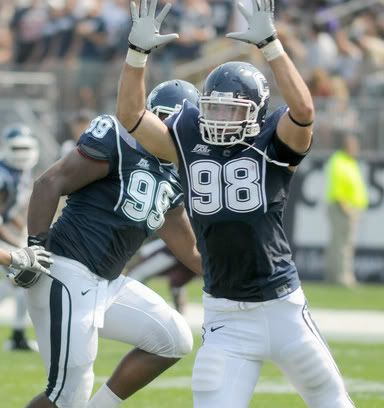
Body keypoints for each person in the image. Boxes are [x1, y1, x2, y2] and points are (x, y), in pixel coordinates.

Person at [115, 0, 355, 407]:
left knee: (332, 401)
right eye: (214, 108)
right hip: (225, 314)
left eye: (232, 110)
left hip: (282, 307)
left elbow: (304, 110)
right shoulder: (189, 137)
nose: (220, 119)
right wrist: (136, 55)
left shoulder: (271, 143)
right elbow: (131, 114)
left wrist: (272, 45)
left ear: (257, 113)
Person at [25, 80, 202, 408]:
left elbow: (191, 252)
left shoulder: (175, 174)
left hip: (107, 283)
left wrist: (241, 275)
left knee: (173, 338)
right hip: (67, 271)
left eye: (178, 125)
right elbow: (50, 182)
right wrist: (36, 245)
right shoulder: (119, 140)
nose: (168, 132)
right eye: (163, 121)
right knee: (67, 394)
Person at [0, 124, 41, 351]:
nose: (22, 153)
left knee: (22, 280)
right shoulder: (3, 175)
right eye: (17, 148)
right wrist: (20, 244)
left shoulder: (19, 173)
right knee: (24, 273)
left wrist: (24, 229)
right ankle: (17, 336)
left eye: (26, 148)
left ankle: (17, 336)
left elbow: (6, 213)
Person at [324, 133, 368, 287]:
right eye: (354, 146)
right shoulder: (339, 161)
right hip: (342, 208)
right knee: (343, 246)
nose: (357, 149)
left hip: (347, 207)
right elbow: (338, 188)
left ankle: (335, 276)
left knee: (340, 244)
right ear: (347, 146)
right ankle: (343, 278)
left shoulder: (348, 161)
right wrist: (347, 208)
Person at [129, 238, 196, 314]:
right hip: (188, 252)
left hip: (170, 252)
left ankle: (134, 306)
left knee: (136, 275)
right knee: (176, 284)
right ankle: (179, 314)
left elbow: (142, 255)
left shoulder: (148, 249)